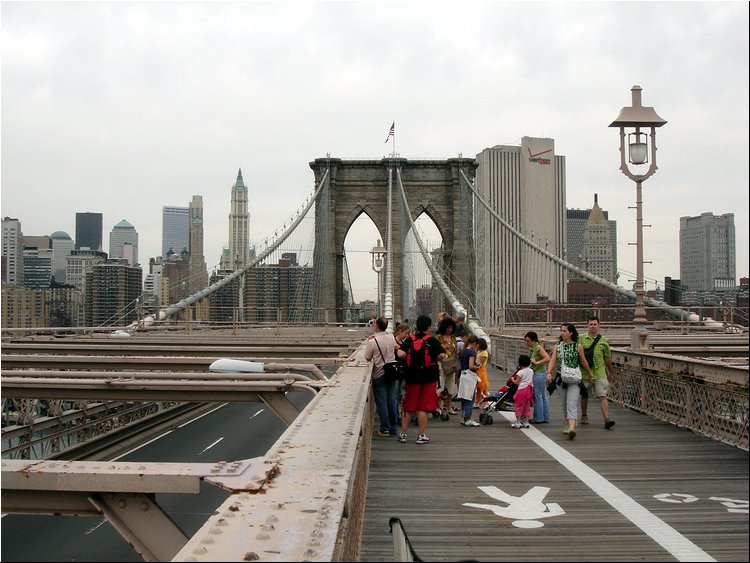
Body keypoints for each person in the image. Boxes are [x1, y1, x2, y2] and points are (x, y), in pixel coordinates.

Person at [396, 315, 445, 445]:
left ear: (416, 326)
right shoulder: (432, 340)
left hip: (411, 377)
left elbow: (400, 354)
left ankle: (403, 434)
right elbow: (442, 355)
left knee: (409, 406)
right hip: (429, 378)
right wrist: (433, 359)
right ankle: (420, 435)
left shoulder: (410, 339)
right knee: (423, 407)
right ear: (428, 327)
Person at [546, 323, 591, 440]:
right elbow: (553, 360)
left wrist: (590, 374)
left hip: (575, 379)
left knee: (572, 401)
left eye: (565, 331)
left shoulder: (578, 346)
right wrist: (549, 372)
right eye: (561, 330)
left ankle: (572, 428)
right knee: (564, 403)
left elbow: (583, 361)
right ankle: (568, 424)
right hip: (561, 378)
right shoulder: (558, 346)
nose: (562, 333)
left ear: (571, 333)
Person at [364, 316, 400, 437]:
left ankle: (384, 428)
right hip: (392, 373)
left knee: (382, 402)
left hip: (379, 374)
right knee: (392, 400)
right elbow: (397, 348)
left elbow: (367, 357)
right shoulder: (391, 337)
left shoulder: (372, 341)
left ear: (377, 326)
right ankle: (394, 428)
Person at [579, 316, 615, 429]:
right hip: (585, 373)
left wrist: (610, 372)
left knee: (602, 395)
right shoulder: (581, 339)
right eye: (591, 324)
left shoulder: (604, 340)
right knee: (584, 396)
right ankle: (584, 415)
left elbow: (607, 358)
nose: (593, 326)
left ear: (599, 326)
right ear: (587, 325)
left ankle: (607, 419)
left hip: (599, 372)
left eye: (595, 324)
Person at [524, 331, 550, 423]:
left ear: (533, 340)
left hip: (539, 373)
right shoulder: (534, 348)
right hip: (541, 373)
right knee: (543, 395)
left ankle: (539, 418)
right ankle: (545, 417)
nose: (527, 343)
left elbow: (547, 358)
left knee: (538, 396)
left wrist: (537, 362)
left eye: (528, 341)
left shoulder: (537, 348)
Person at [435, 316, 459, 415]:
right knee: (440, 387)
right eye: (448, 328)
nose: (450, 330)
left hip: (451, 365)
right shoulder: (438, 338)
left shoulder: (453, 338)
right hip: (441, 364)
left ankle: (448, 407)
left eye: (451, 328)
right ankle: (437, 407)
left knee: (450, 387)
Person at [456, 335, 481, 426]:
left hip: (463, 375)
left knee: (464, 398)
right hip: (469, 376)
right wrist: (477, 366)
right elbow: (471, 366)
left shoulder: (463, 351)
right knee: (470, 398)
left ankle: (463, 417)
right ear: (474, 344)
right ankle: (468, 418)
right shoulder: (471, 352)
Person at [510, 354, 534, 428]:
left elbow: (517, 382)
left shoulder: (520, 372)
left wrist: (512, 379)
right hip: (529, 390)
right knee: (526, 406)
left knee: (519, 406)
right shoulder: (531, 371)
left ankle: (518, 422)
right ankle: (526, 422)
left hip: (522, 390)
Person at [473, 337, 490, 408]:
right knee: (478, 388)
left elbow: (480, 363)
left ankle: (486, 403)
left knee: (483, 387)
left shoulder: (484, 353)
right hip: (477, 371)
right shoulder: (479, 352)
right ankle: (477, 401)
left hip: (481, 371)